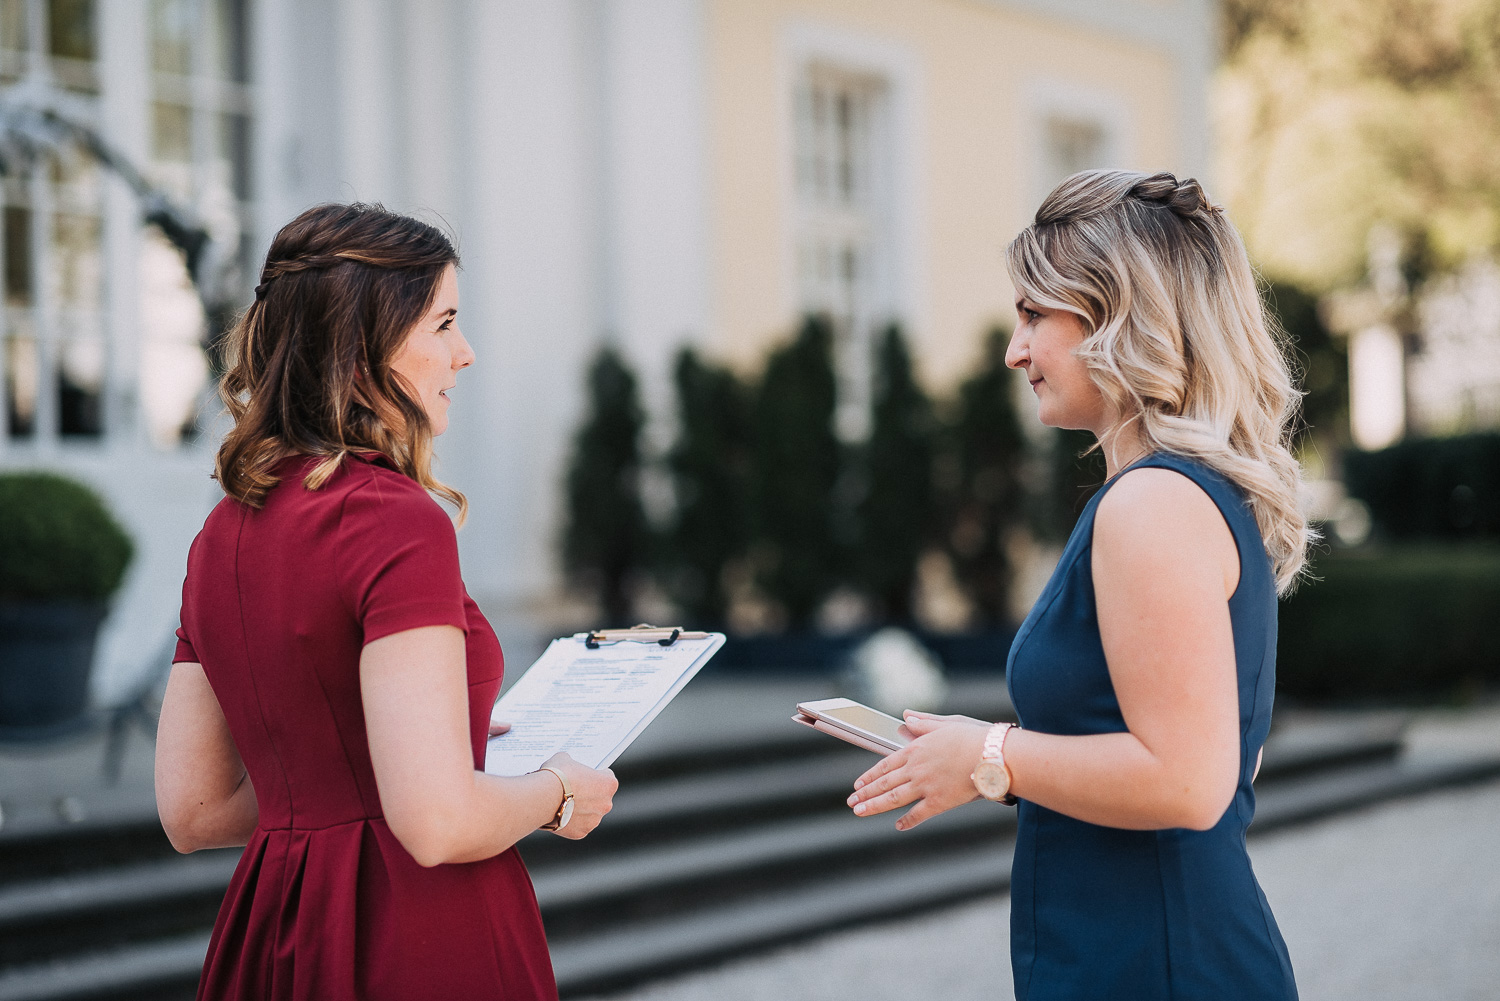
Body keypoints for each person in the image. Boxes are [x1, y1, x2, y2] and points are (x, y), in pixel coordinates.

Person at [848, 170, 1308, 1001]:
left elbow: (1191, 780)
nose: (1013, 350)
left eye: (1033, 315)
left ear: (1118, 318)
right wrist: (983, 756)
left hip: (1158, 962)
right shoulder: (1178, 491)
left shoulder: (1153, 502)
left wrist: (992, 755)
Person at [154, 202, 617, 1001]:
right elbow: (434, 822)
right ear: (364, 350)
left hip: (274, 928)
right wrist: (561, 788)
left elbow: (193, 810)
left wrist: (394, 755)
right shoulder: (394, 520)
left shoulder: (220, 535)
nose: (464, 354)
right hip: (417, 936)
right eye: (443, 324)